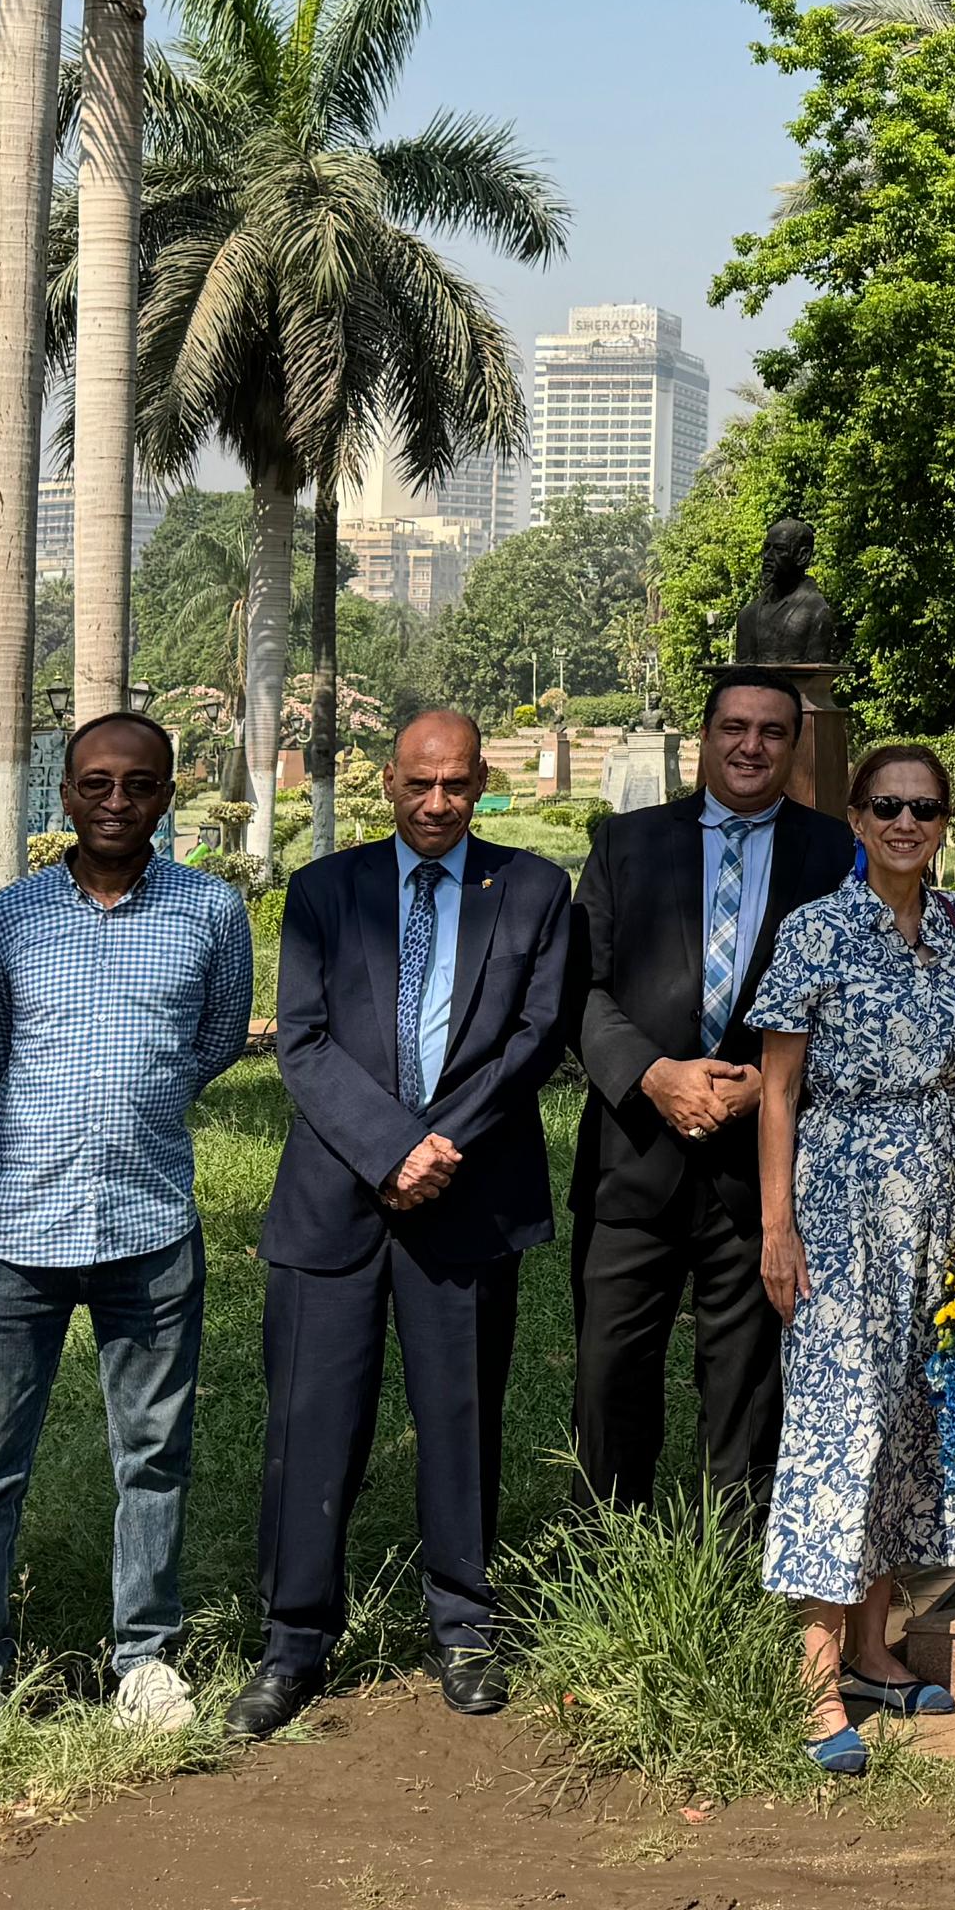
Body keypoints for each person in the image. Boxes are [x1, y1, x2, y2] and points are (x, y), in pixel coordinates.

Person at [238, 709, 578, 1737]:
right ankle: (292, 1642)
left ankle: (464, 1627)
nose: (437, 805)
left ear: (484, 787)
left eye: (459, 787)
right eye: (419, 785)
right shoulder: (324, 892)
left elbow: (535, 1035)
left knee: (460, 1416)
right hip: (333, 1199)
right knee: (310, 1423)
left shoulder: (531, 890)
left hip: (467, 1193)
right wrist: (388, 1147)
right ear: (388, 780)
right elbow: (299, 1041)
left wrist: (437, 1149)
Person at [0, 710, 253, 1730]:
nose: (116, 801)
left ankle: (145, 1660)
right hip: (14, 1229)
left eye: (139, 784)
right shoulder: (11, 917)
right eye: (95, 784)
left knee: (153, 1455)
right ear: (65, 793)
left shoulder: (210, 912)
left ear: (168, 793)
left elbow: (212, 1041)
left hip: (149, 1223)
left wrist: (143, 1101)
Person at [748, 744, 955, 1772]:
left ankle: (874, 1648)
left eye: (925, 808)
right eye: (887, 806)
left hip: (939, 1203)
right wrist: (777, 1229)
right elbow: (775, 1091)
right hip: (842, 1200)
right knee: (839, 1422)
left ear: (944, 822)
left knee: (908, 1417)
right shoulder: (816, 929)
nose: (906, 823)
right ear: (854, 818)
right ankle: (810, 1678)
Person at [568, 667, 862, 1506]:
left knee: (746, 1389)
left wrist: (763, 1090)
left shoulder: (836, 855)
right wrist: (654, 1076)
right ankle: (607, 1555)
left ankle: (731, 1562)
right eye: (734, 727)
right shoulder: (623, 844)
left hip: (762, 1172)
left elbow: (857, 1003)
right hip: (634, 1158)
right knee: (610, 1376)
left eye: (772, 732)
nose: (751, 746)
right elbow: (577, 992)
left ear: (794, 746)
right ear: (705, 736)